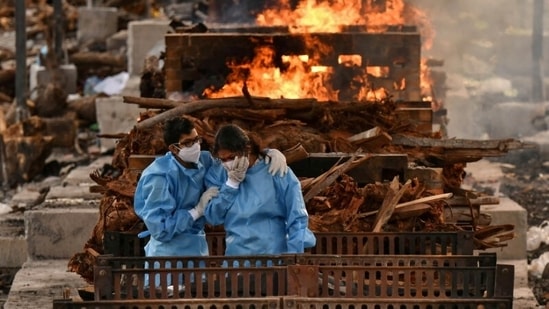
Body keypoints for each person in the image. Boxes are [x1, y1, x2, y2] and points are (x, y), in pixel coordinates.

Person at [133, 117, 288, 287]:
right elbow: (160, 229)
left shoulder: (204, 160)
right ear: (173, 148)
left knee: (198, 299)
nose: (195, 146)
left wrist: (267, 153)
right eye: (187, 143)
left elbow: (233, 155)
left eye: (196, 139)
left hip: (197, 248)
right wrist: (196, 211)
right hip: (167, 256)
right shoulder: (158, 177)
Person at [203, 124, 316, 256]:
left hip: (274, 258)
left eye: (232, 157)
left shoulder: (275, 170)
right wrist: (231, 185)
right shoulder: (219, 174)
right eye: (223, 159)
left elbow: (297, 217)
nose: (228, 163)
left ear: (247, 149)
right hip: (237, 261)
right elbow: (213, 217)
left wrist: (295, 255)